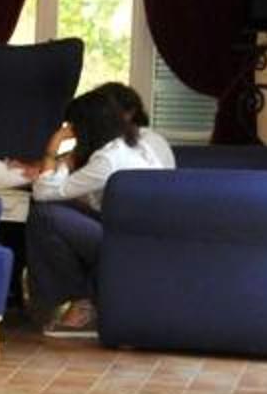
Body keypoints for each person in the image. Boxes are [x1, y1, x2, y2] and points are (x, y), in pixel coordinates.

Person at [18, 81, 174, 339]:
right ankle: (71, 301)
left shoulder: (106, 160)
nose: (71, 132)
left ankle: (80, 303)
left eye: (73, 127)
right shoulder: (134, 144)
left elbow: (43, 193)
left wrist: (53, 151)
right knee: (57, 210)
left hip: (127, 242)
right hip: (142, 234)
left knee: (44, 215)